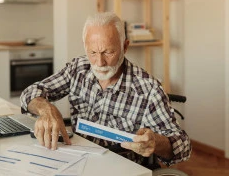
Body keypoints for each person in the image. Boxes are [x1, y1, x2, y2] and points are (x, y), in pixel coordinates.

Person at [20, 12, 191, 167]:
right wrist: (46, 109)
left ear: (125, 46)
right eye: (92, 52)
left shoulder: (148, 89)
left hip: (120, 168)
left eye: (108, 52)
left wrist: (155, 142)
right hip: (77, 161)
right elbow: (31, 92)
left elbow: (183, 146)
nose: (99, 63)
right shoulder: (78, 68)